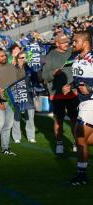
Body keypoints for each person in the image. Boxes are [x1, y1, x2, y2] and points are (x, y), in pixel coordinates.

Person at [62, 31, 93, 185]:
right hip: (84, 103)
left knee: (79, 136)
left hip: (91, 102)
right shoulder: (76, 58)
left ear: (85, 42)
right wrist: (71, 85)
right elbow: (80, 80)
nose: (73, 44)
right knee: (87, 139)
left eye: (76, 41)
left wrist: (91, 89)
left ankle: (82, 176)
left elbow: (89, 85)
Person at [42, 33, 78, 155]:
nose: (66, 44)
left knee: (75, 120)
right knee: (59, 120)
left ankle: (76, 143)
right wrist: (53, 73)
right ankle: (59, 144)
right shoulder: (50, 56)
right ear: (56, 44)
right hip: (57, 95)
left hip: (73, 93)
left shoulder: (73, 52)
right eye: (63, 43)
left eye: (67, 42)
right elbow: (44, 76)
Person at [0, 47, 25, 155]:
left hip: (11, 100)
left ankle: (5, 148)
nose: (4, 57)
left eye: (5, 55)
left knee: (8, 125)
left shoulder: (11, 67)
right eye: (1, 56)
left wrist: (21, 66)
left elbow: (20, 78)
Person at [11, 51, 36, 144]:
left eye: (24, 57)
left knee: (30, 117)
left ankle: (31, 136)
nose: (23, 59)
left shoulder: (29, 69)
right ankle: (16, 136)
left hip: (28, 95)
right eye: (21, 57)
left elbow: (35, 79)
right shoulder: (13, 69)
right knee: (16, 116)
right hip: (17, 95)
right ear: (17, 59)